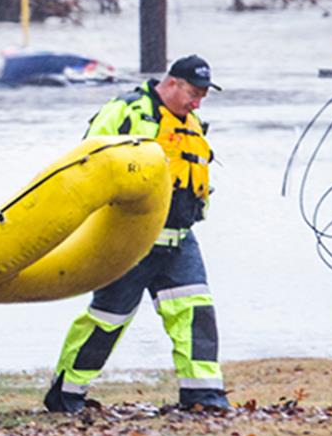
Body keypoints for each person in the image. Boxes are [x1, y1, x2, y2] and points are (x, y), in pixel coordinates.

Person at [44, 55, 230, 413]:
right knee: (107, 320)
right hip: (128, 240)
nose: (198, 102)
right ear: (172, 83)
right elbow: (86, 161)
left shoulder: (192, 123)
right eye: (193, 92)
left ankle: (204, 396)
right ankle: (66, 394)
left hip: (179, 239)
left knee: (196, 313)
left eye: (204, 95)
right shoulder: (128, 110)